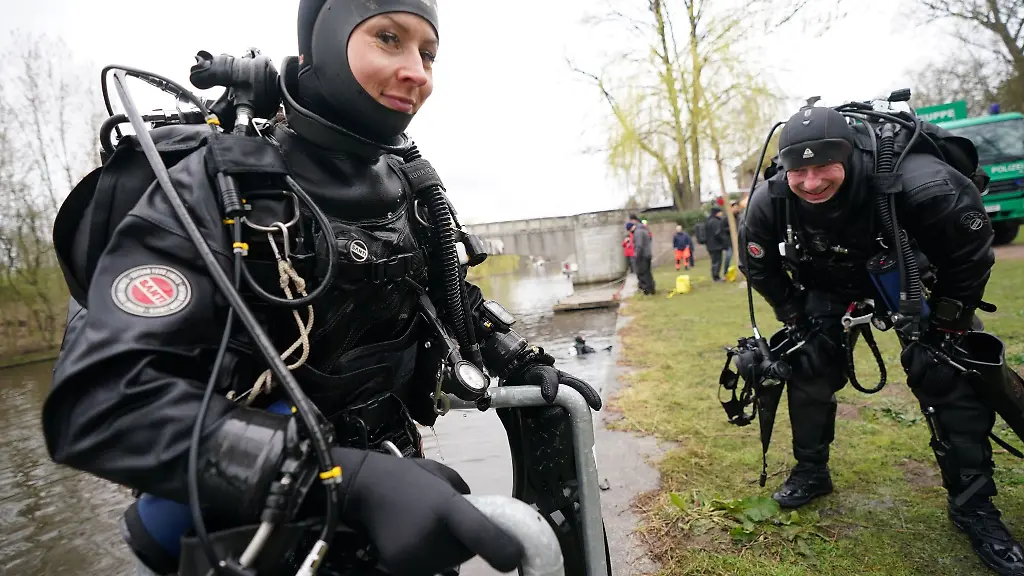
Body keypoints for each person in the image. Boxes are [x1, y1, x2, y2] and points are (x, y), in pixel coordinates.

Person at [41, 2, 604, 575]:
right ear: (322, 45)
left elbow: (446, 297)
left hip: (404, 506)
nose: (418, 72)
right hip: (253, 532)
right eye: (388, 38)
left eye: (428, 53)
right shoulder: (220, 191)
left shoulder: (405, 183)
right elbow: (98, 405)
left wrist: (518, 362)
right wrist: (343, 479)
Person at [740, 104, 1024, 574]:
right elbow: (758, 263)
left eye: (823, 167)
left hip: (911, 276)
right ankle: (811, 470)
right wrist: (792, 313)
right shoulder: (771, 199)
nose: (811, 182)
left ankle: (973, 507)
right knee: (807, 364)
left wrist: (951, 319)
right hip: (826, 283)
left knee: (946, 374)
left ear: (850, 156)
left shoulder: (922, 182)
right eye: (800, 171)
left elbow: (971, 254)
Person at [629, 214, 655, 295]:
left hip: (643, 255)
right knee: (648, 272)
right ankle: (651, 289)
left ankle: (647, 291)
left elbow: (639, 245)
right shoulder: (644, 229)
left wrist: (636, 255)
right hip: (647, 254)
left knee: (643, 273)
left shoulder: (638, 231)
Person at [704, 207, 728, 282]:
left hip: (710, 245)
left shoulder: (709, 221)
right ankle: (716, 277)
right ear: (716, 213)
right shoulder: (715, 221)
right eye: (720, 212)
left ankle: (715, 276)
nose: (721, 214)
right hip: (716, 245)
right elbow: (718, 233)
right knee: (717, 261)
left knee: (714, 261)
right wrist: (724, 240)